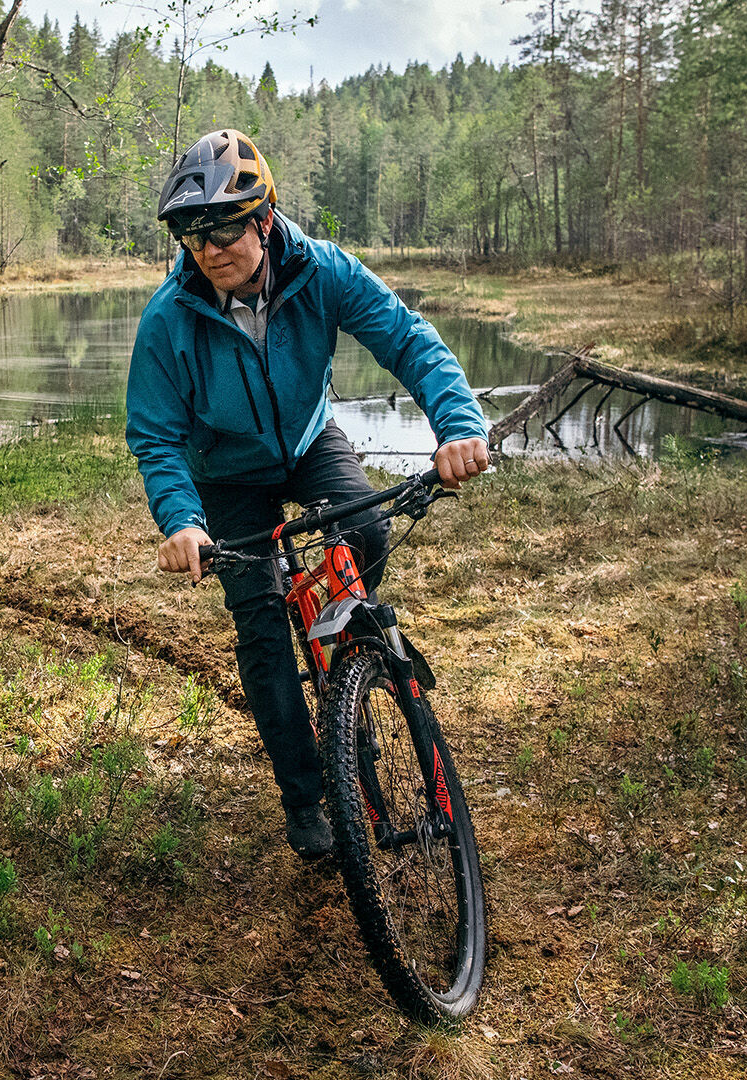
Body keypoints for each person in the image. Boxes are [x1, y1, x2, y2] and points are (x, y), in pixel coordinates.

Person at [125, 129, 492, 860]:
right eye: (193, 236)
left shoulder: (322, 271)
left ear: (264, 219)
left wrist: (456, 425)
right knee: (260, 628)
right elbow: (155, 436)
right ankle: (304, 795)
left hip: (306, 442)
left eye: (225, 229)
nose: (210, 249)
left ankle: (342, 646)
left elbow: (407, 340)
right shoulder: (169, 318)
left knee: (370, 535)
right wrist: (181, 521)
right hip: (224, 471)